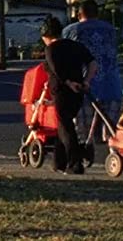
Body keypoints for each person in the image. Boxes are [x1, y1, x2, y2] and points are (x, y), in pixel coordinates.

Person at [42, 16, 98, 174]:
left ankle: (75, 163)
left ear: (46, 35)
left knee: (66, 126)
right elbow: (93, 63)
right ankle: (59, 162)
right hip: (79, 90)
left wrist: (68, 83)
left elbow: (56, 70)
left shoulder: (51, 49)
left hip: (61, 91)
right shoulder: (75, 46)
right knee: (63, 125)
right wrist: (86, 81)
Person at [63, 0, 123, 141]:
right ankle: (113, 158)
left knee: (82, 136)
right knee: (111, 135)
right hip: (111, 86)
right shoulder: (111, 30)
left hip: (83, 88)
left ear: (79, 14)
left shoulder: (70, 31)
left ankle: (81, 157)